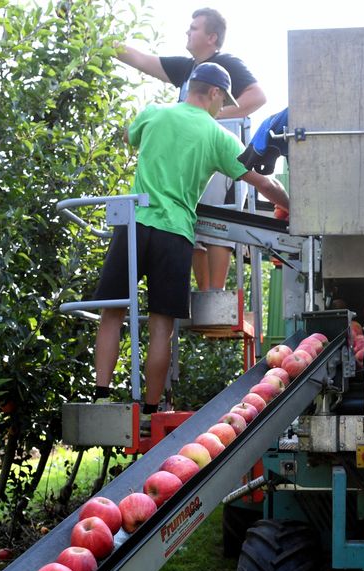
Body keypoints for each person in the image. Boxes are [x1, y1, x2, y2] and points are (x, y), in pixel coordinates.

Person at [91, 63, 289, 418]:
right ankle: (151, 409)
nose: (222, 107)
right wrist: (292, 205)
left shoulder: (154, 113)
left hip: (134, 222)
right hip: (175, 233)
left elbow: (129, 137)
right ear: (213, 93)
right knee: (161, 325)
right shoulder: (218, 137)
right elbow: (262, 182)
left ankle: (100, 395)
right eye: (222, 100)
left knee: (112, 312)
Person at [115, 8, 267, 292]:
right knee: (197, 224)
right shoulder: (188, 69)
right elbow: (141, 60)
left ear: (212, 37)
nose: (187, 31)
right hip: (193, 156)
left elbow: (258, 96)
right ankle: (205, 291)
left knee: (217, 222)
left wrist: (211, 117)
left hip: (220, 151)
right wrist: (99, 42)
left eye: (194, 28)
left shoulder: (226, 64)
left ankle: (215, 292)